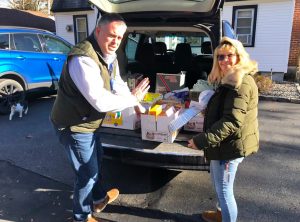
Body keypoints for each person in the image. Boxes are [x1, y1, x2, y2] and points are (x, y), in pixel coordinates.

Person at [50, 13, 149, 222]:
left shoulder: (108, 55)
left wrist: (137, 104)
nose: (116, 42)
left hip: (89, 123)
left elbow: (118, 83)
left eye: (120, 38)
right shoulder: (83, 59)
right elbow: (101, 102)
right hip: (74, 125)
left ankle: (98, 198)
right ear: (98, 31)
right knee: (86, 173)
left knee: (96, 161)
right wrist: (132, 99)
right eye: (112, 35)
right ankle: (82, 216)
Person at [187, 37, 259, 222]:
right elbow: (226, 110)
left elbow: (232, 121)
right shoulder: (228, 78)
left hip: (229, 146)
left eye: (229, 55)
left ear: (239, 57)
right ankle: (220, 215)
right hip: (221, 144)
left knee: (225, 191)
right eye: (220, 57)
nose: (224, 60)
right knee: (218, 185)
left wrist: (200, 140)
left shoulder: (240, 82)